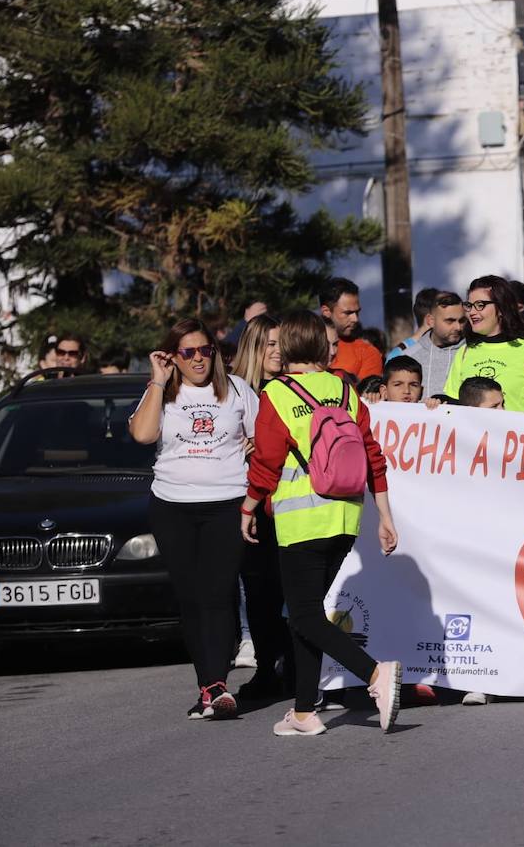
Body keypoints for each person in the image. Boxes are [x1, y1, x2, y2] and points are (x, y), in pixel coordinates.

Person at [242, 311, 402, 736]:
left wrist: (248, 506)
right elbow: (373, 456)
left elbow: (266, 461)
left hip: (302, 520)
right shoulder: (345, 391)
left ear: (290, 346)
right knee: (304, 613)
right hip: (346, 517)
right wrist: (384, 515)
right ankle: (302, 712)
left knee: (304, 614)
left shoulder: (275, 393)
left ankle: (374, 676)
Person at [129, 319, 259, 720]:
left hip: (227, 503)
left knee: (218, 594)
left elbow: (261, 440)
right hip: (172, 505)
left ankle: (218, 685)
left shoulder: (238, 390)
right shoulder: (164, 392)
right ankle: (207, 685)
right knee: (191, 598)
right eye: (188, 352)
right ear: (173, 356)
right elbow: (143, 435)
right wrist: (156, 380)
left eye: (205, 350)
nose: (199, 359)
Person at [230, 314, 291, 698]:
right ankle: (267, 668)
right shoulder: (234, 391)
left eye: (281, 343)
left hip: (288, 501)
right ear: (253, 346)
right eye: (270, 343)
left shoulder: (292, 386)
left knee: (290, 590)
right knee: (257, 590)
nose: (278, 351)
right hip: (247, 501)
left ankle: (296, 666)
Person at [442, 276, 524, 413]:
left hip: (514, 434)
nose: (472, 312)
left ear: (501, 308)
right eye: (469, 305)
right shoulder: (464, 352)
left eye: (480, 305)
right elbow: (453, 409)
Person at [319, 277, 382, 381]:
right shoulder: (302, 344)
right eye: (348, 313)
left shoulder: (367, 353)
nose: (355, 319)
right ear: (326, 311)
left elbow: (365, 395)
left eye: (357, 312)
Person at [402, 292, 464, 394]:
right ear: (430, 321)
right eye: (450, 321)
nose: (458, 327)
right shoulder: (409, 356)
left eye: (461, 321)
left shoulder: (472, 353)